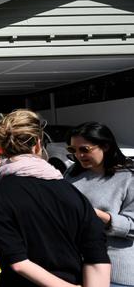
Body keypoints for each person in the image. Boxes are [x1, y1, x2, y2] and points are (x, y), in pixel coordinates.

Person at [0, 109, 111, 287]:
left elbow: (18, 262)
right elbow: (96, 255)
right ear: (38, 143)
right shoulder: (71, 192)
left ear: (3, 147)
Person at [64, 122, 134, 287]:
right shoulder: (71, 173)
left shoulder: (128, 177)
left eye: (85, 149)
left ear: (106, 146)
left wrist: (97, 215)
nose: (79, 155)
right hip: (75, 266)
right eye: (73, 150)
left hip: (115, 271)